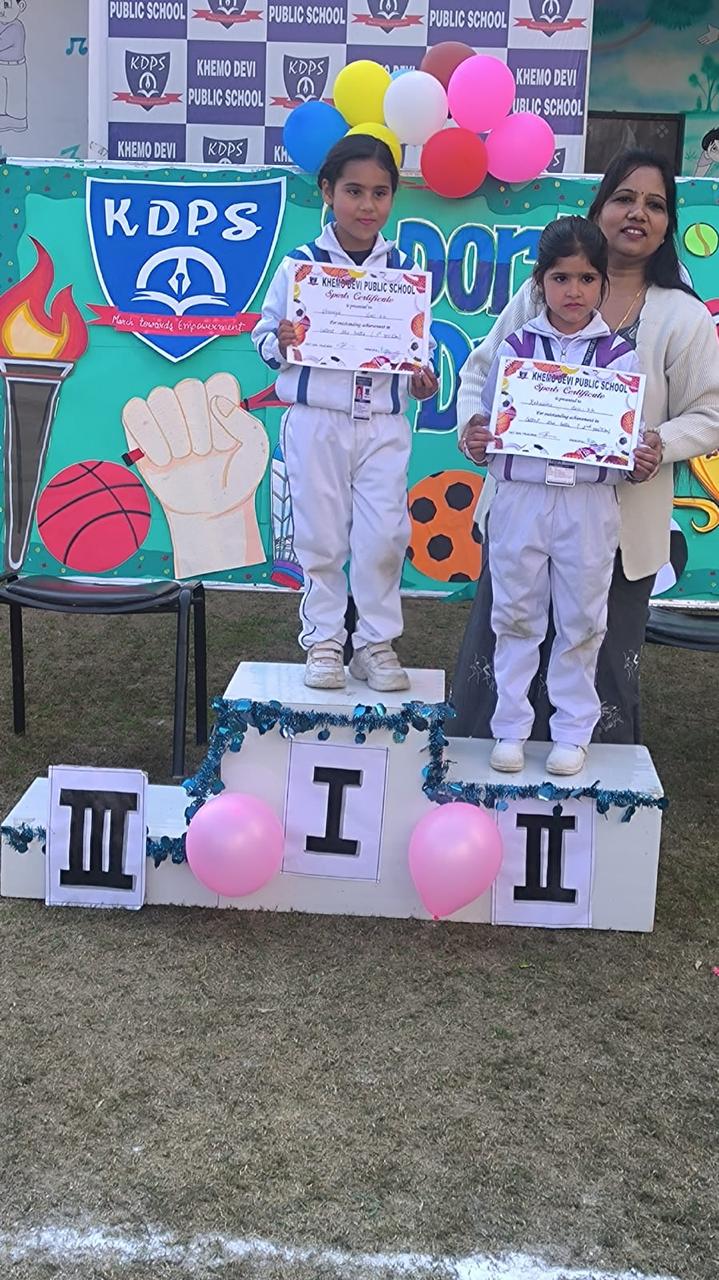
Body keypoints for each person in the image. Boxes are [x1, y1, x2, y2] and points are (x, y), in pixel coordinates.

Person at [453, 148, 719, 747]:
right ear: (599, 209)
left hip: (620, 529)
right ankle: (494, 766)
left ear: (668, 224)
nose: (638, 213)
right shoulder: (538, 297)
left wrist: (658, 443)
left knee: (592, 650)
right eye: (624, 198)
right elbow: (480, 374)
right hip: (523, 512)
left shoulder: (682, 316)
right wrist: (476, 425)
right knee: (510, 636)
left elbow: (711, 414)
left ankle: (583, 779)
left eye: (655, 204)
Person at [253, 135, 438, 692]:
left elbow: (417, 351)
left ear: (393, 198)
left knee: (385, 537)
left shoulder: (404, 271)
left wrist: (422, 378)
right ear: (327, 191)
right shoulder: (300, 266)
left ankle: (375, 644)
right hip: (318, 417)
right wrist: (282, 341)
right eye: (354, 191)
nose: (367, 205)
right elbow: (264, 336)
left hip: (382, 423)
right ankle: (325, 641)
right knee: (321, 538)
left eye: (380, 193)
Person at [470, 216, 649, 776]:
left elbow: (630, 438)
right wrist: (476, 437)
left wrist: (638, 456)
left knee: (583, 618)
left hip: (588, 505)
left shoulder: (619, 358)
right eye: (561, 278)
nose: (574, 291)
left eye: (588, 279)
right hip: (521, 496)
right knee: (515, 615)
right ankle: (511, 727)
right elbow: (487, 420)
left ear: (603, 283)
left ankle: (573, 730)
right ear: (539, 282)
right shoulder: (516, 347)